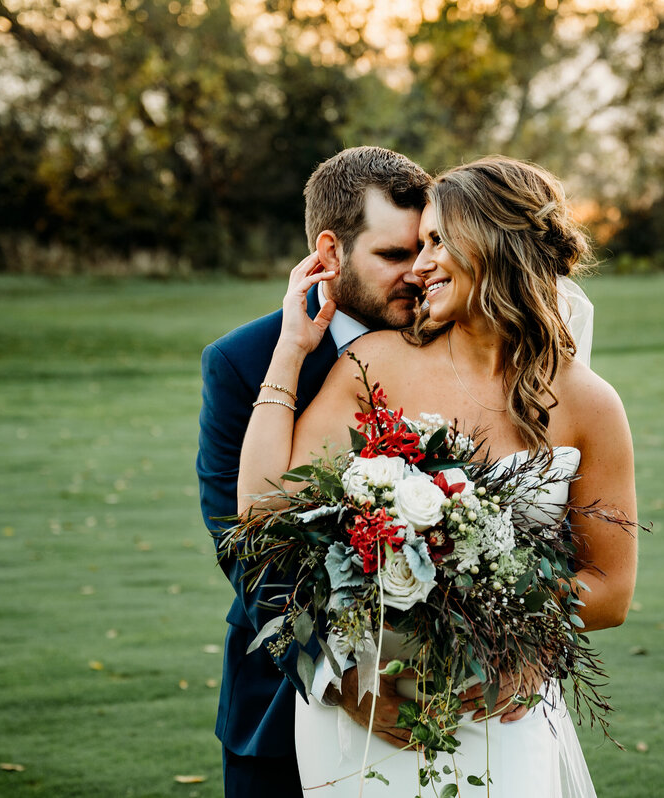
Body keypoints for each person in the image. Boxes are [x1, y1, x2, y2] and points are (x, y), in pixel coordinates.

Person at [237, 156, 639, 796]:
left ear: (493, 245)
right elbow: (264, 512)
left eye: (435, 242)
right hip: (366, 708)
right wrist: (291, 352)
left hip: (499, 701)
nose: (418, 267)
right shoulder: (375, 362)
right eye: (414, 244)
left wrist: (513, 628)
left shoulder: (590, 404)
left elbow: (611, 591)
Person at [196, 145, 432, 797]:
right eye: (393, 255)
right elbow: (244, 549)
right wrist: (340, 675)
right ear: (329, 252)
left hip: (433, 712)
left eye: (425, 249)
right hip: (280, 712)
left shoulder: (450, 343)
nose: (419, 274)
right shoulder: (241, 362)